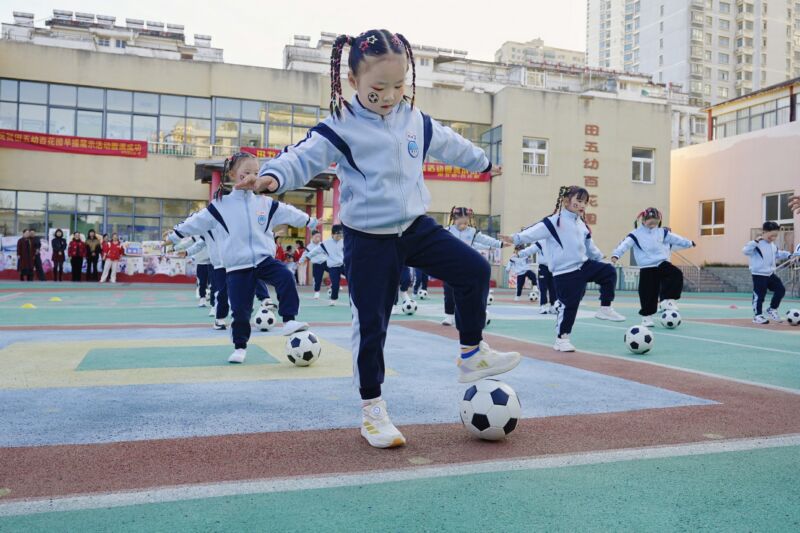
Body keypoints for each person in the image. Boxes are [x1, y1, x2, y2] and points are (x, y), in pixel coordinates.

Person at [238, 29, 520, 448]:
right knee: (371, 325)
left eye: (398, 85)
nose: (389, 96)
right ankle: (372, 410)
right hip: (368, 238)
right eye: (378, 88)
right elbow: (301, 156)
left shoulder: (414, 119)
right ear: (353, 81)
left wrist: (481, 163)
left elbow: (448, 142)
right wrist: (272, 176)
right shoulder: (341, 125)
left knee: (474, 270)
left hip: (415, 227)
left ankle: (471, 353)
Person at [167, 151, 317, 364]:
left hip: (264, 260)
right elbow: (197, 221)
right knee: (240, 311)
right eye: (246, 172)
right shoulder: (221, 205)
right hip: (238, 266)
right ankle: (240, 347)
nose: (252, 177)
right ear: (232, 174)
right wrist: (175, 235)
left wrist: (309, 221)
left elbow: (289, 212)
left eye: (256, 172)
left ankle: (289, 320)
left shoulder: (265, 203)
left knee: (285, 276)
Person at [502, 185, 626, 353]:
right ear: (566, 201)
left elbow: (590, 247)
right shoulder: (554, 222)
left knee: (609, 271)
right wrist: (515, 238)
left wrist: (601, 258)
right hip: (565, 272)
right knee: (570, 306)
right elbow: (533, 232)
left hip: (583, 266)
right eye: (579, 201)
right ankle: (562, 339)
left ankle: (605, 308)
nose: (582, 205)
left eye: (585, 202)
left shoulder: (582, 224)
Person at [610, 207, 695, 326]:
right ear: (643, 220)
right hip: (647, 267)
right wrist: (616, 255)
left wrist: (689, 243)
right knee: (648, 293)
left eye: (655, 223)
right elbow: (624, 245)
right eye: (650, 223)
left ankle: (668, 300)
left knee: (676, 274)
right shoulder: (635, 234)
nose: (652, 225)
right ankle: (647, 318)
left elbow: (675, 238)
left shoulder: (661, 232)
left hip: (661, 263)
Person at [441, 206, 503, 326]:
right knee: (449, 291)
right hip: (450, 266)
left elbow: (485, 239)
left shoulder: (472, 232)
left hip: (466, 266)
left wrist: (499, 244)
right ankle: (449, 315)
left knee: (468, 291)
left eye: (466, 222)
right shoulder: (447, 231)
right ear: (454, 219)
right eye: (461, 222)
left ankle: (469, 314)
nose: (464, 225)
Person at [743, 221, 792, 324]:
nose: (773, 238)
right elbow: (746, 251)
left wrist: (789, 255)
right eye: (771, 236)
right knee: (759, 295)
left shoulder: (772, 245)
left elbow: (778, 253)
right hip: (759, 275)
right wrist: (755, 242)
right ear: (764, 232)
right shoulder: (756, 244)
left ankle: (772, 309)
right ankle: (758, 316)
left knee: (780, 290)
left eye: (775, 236)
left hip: (770, 274)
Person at [302, 225, 345, 306]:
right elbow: (315, 251)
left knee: (354, 278)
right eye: (337, 235)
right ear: (332, 234)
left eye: (340, 235)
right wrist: (307, 257)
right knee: (335, 284)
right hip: (333, 267)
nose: (339, 237)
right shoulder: (326, 243)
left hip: (343, 265)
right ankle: (333, 299)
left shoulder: (344, 242)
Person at [303, 230, 328, 299]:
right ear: (312, 236)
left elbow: (328, 252)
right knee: (318, 279)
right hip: (317, 264)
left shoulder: (322, 244)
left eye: (319, 237)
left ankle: (333, 286)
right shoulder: (309, 247)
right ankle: (317, 292)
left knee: (335, 270)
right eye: (316, 236)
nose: (318, 238)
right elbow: (306, 255)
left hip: (325, 262)